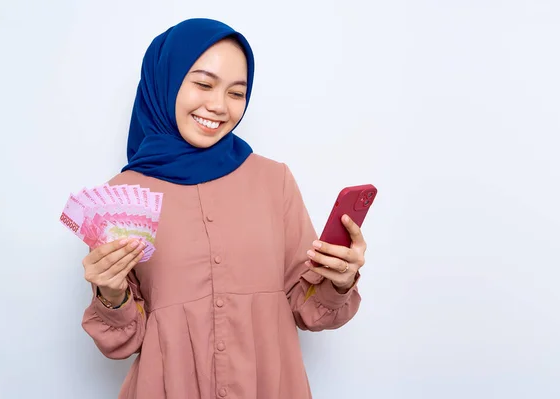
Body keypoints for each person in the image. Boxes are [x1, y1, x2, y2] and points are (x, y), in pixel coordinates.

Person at [81, 18, 368, 399]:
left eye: (236, 92)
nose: (218, 106)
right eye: (202, 84)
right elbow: (122, 342)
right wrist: (110, 292)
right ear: (164, 82)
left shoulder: (273, 180)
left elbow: (308, 308)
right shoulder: (120, 199)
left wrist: (340, 280)